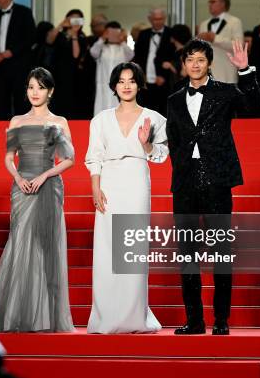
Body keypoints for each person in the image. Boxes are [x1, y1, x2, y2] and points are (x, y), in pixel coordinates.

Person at [166, 39, 260, 336]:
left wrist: (245, 71)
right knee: (187, 255)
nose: (195, 65)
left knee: (221, 252)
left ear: (209, 63)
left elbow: (255, 107)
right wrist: (181, 167)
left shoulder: (224, 92)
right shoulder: (173, 99)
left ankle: (221, 319)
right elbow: (174, 140)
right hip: (185, 183)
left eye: (200, 60)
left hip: (218, 181)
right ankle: (194, 321)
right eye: (189, 59)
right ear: (183, 64)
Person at [0, 68, 75, 332]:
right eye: (30, 87)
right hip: (22, 186)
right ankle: (18, 314)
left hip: (48, 186)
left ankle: (45, 317)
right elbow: (8, 157)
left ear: (50, 91)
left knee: (45, 248)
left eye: (40, 87)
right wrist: (16, 177)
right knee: (21, 245)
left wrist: (46, 175)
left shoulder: (60, 122)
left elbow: (69, 159)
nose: (34, 92)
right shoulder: (17, 121)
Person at [85, 62, 168, 333]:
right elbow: (94, 155)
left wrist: (146, 143)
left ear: (140, 84)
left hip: (135, 181)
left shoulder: (154, 118)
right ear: (114, 86)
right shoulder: (100, 119)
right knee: (107, 249)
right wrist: (95, 187)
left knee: (131, 250)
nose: (127, 85)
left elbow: (160, 155)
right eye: (121, 81)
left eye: (132, 80)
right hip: (108, 181)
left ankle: (133, 316)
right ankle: (106, 316)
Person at [0, 0, 36, 119]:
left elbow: (31, 37)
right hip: (0, 67)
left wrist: (12, 51)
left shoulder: (24, 12)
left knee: (21, 100)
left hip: (20, 65)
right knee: (1, 102)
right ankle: (1, 134)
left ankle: (22, 132)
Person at [46, 9, 89, 119]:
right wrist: (61, 24)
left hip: (74, 75)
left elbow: (76, 55)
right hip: (57, 73)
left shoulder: (82, 37)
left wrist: (74, 35)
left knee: (71, 102)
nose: (74, 21)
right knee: (56, 101)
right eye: (72, 18)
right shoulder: (59, 35)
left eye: (77, 19)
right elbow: (49, 40)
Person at [134, 8, 176, 116]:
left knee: (163, 111)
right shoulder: (143, 34)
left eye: (160, 19)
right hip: (145, 81)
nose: (158, 22)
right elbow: (138, 56)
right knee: (145, 111)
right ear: (150, 19)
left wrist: (163, 75)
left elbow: (174, 58)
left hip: (164, 82)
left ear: (165, 19)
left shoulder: (171, 33)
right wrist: (140, 74)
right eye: (155, 19)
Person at [197, 0, 244, 83]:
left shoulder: (234, 22)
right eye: (209, 2)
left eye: (213, 1)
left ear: (223, 3)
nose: (210, 4)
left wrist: (215, 38)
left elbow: (239, 46)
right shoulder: (203, 24)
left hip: (226, 74)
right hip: (205, 76)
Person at [90, 21, 134, 116]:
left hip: (119, 86)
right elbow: (93, 52)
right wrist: (102, 38)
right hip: (103, 85)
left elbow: (131, 55)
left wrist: (122, 41)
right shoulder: (102, 48)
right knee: (102, 110)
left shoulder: (123, 48)